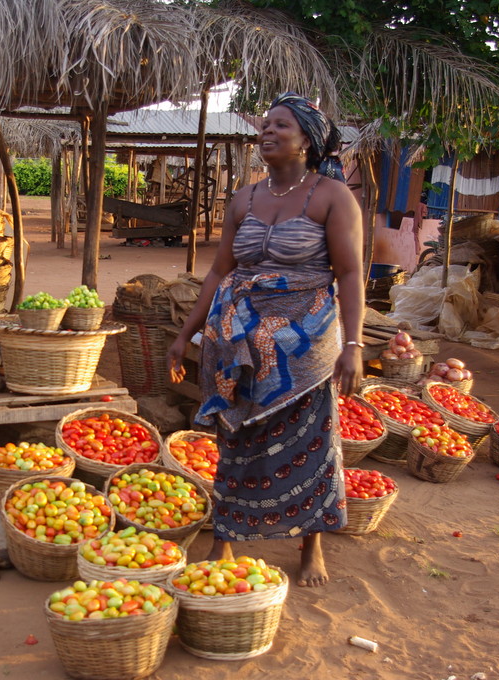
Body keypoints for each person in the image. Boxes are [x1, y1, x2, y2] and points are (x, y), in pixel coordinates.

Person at [166, 92, 364, 588]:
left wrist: (354, 344)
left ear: (308, 141)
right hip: (237, 340)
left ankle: (311, 542)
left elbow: (352, 272)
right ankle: (226, 536)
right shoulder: (244, 199)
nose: (268, 132)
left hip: (304, 339)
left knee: (309, 436)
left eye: (281, 126)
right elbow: (217, 273)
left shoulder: (333, 197)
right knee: (236, 435)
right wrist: (184, 334)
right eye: (265, 125)